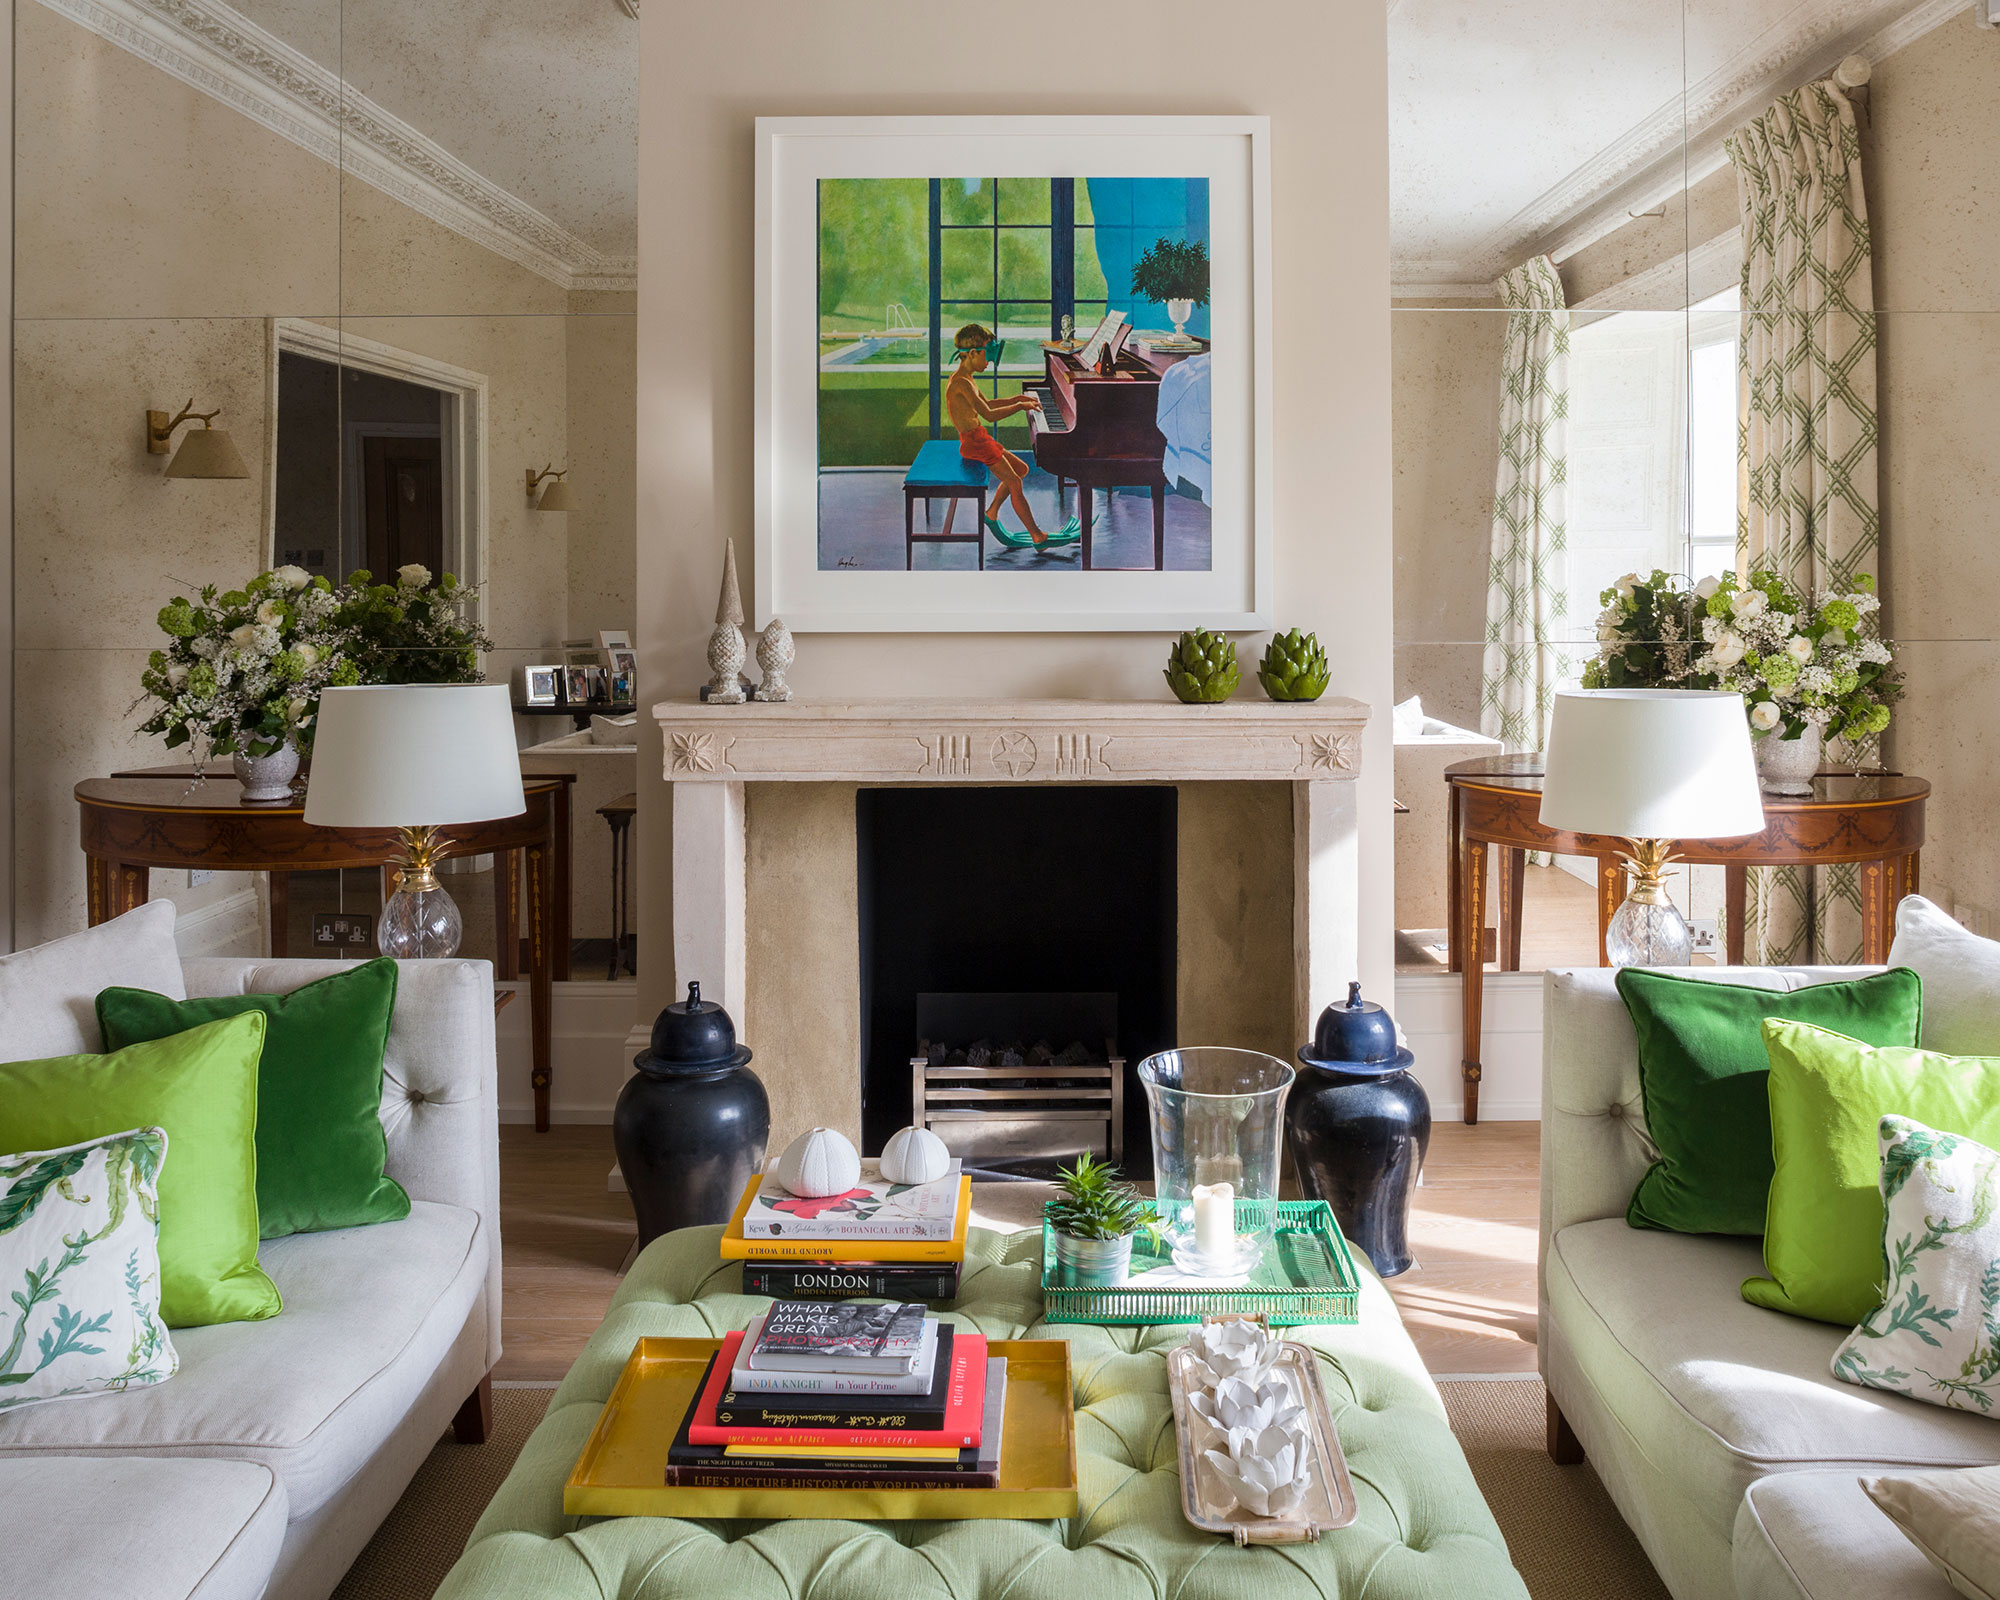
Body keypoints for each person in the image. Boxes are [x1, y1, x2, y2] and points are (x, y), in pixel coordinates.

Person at [942, 324, 1079, 550]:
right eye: (987, 356)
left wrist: (1017, 398)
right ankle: (1037, 536)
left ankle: (992, 512)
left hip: (978, 439)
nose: (989, 363)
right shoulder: (961, 383)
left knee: (1021, 470)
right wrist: (1018, 406)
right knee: (1014, 481)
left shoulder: (966, 378)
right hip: (975, 443)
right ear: (974, 353)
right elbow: (989, 414)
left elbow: (987, 404)